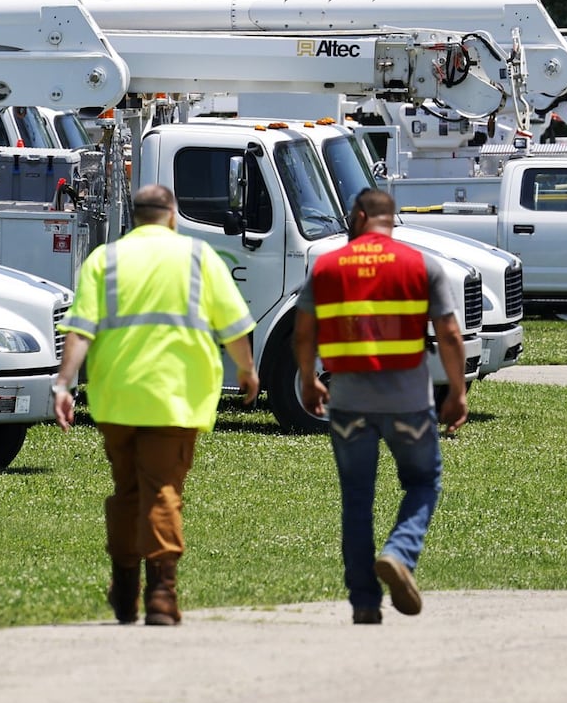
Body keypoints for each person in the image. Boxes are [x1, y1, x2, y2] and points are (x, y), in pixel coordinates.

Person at [53, 184, 259, 627]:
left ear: (134, 216)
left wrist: (64, 384)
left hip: (116, 399)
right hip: (175, 399)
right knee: (163, 491)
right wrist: (247, 370)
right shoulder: (199, 258)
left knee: (128, 492)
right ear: (172, 215)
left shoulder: (103, 261)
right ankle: (162, 594)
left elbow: (80, 329)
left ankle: (125, 589)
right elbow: (234, 325)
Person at [294, 188, 469, 625]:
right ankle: (398, 553)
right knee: (423, 482)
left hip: (349, 399)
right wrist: (458, 392)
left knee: (356, 499)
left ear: (358, 216)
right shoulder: (421, 264)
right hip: (407, 400)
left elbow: (303, 332)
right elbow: (448, 333)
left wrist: (309, 378)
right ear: (391, 220)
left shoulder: (327, 266)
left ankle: (365, 604)